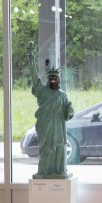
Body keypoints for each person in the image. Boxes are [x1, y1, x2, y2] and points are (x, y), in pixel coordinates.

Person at [27, 41, 74, 179]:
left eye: (55, 78)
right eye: (51, 78)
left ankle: (59, 171)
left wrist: (70, 110)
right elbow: (35, 78)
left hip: (58, 128)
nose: (53, 80)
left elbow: (67, 113)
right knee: (46, 149)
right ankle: (44, 171)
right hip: (45, 126)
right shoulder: (42, 91)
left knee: (59, 148)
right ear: (48, 79)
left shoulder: (61, 95)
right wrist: (32, 60)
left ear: (58, 80)